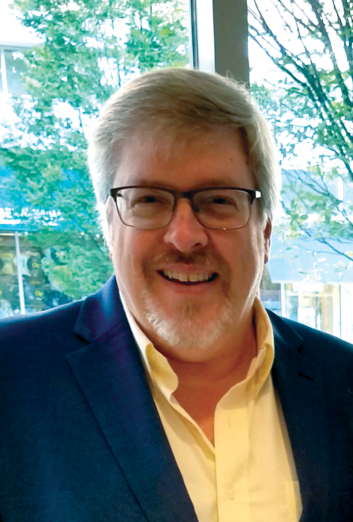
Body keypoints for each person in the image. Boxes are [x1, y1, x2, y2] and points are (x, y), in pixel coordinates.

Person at [1, 68, 353, 522]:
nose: (185, 237)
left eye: (219, 200)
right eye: (148, 199)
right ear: (108, 225)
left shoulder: (343, 382)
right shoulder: (12, 380)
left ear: (265, 233)